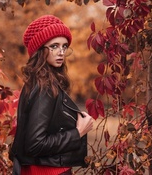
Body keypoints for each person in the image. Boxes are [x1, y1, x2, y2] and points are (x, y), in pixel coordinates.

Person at [9, 15, 94, 175]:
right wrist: (78, 133)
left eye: (64, 46)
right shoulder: (44, 87)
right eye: (54, 46)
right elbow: (35, 144)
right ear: (40, 50)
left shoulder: (40, 82)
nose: (61, 52)